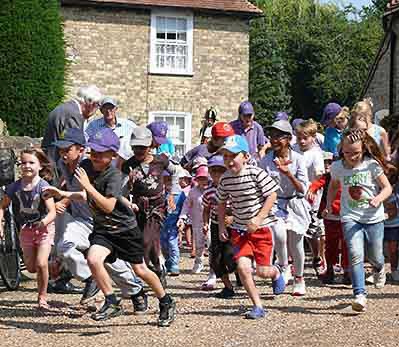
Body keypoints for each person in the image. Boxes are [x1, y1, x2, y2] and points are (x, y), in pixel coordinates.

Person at [43, 128, 176, 326]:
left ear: (113, 154)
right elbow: (86, 196)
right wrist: (62, 193)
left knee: (140, 270)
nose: (94, 156)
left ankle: (166, 301)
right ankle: (112, 301)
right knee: (93, 258)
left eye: (100, 152)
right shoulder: (87, 166)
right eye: (93, 151)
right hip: (104, 229)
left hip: (124, 230)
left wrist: (86, 186)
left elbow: (108, 205)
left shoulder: (114, 175)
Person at [52, 128, 148, 311]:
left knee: (114, 265)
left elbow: (98, 193)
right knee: (65, 247)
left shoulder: (93, 164)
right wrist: (61, 195)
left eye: (67, 149)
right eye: (61, 149)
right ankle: (90, 278)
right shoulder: (64, 165)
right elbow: (76, 188)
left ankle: (136, 292)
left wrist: (65, 198)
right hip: (81, 220)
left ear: (81, 150)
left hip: (105, 223)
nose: (63, 153)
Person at [217, 135, 285, 319]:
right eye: (225, 156)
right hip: (240, 230)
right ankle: (258, 306)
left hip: (262, 228)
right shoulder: (225, 179)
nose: (229, 161)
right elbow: (221, 203)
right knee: (243, 267)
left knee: (263, 272)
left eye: (233, 156)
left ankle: (276, 272)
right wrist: (222, 225)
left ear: (246, 156)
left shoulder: (256, 173)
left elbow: (272, 195)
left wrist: (258, 218)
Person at [325, 128, 392, 312]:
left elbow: (387, 188)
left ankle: (379, 270)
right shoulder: (338, 167)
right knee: (355, 254)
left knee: (376, 256)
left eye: (355, 153)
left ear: (363, 149)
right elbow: (333, 186)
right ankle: (359, 295)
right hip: (350, 216)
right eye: (347, 153)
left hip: (373, 217)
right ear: (341, 151)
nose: (351, 157)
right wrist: (329, 204)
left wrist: (378, 199)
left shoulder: (371, 165)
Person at [0, 149, 56, 310]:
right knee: (31, 268)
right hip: (26, 230)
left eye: (31, 162)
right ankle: (53, 264)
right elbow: (2, 206)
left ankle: (42, 297)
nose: (27, 166)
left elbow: (52, 212)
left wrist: (44, 222)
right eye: (23, 163)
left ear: (39, 166)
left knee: (40, 263)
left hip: (44, 229)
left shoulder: (44, 187)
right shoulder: (14, 187)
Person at [121, 126, 177, 286]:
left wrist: (171, 193)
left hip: (157, 207)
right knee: (146, 242)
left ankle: (145, 273)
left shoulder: (161, 160)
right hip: (139, 208)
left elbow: (175, 172)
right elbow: (122, 189)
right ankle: (158, 269)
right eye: (135, 147)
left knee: (147, 240)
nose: (139, 151)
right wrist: (129, 185)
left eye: (142, 147)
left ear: (150, 146)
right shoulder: (129, 165)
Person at [260, 120, 310, 295]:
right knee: (279, 235)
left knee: (296, 243)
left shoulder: (298, 159)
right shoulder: (266, 160)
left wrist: (288, 174)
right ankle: (283, 267)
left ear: (288, 139)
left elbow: (303, 188)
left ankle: (300, 278)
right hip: (276, 203)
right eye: (271, 136)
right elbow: (263, 187)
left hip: (296, 202)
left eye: (278, 136)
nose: (274, 140)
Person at [307, 152, 350, 284]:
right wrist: (311, 190)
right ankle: (330, 270)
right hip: (329, 215)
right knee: (330, 245)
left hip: (347, 215)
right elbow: (316, 184)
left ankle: (347, 271)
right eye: (325, 162)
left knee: (346, 245)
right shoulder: (326, 177)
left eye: (330, 162)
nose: (328, 165)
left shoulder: (348, 174)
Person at [294, 119, 325, 276]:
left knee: (312, 233)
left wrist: (313, 188)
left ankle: (317, 257)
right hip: (295, 199)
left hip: (312, 201)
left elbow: (321, 177)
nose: (302, 141)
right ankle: (293, 261)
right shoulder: (294, 150)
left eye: (305, 138)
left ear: (313, 137)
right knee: (294, 231)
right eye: (299, 138)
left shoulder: (315, 154)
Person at [202, 155, 236, 297]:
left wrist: (233, 217)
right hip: (216, 224)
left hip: (232, 225)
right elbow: (206, 209)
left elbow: (239, 206)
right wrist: (205, 223)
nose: (216, 174)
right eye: (213, 170)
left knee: (231, 256)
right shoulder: (208, 191)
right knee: (215, 258)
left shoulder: (233, 187)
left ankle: (242, 277)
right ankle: (228, 287)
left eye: (220, 170)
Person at [42, 85, 102, 164]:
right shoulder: (73, 115)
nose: (96, 110)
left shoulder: (66, 108)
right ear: (91, 103)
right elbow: (73, 147)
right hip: (57, 163)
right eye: (97, 105)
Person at [85, 97, 137, 167]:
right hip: (101, 165)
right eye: (105, 108)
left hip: (124, 165)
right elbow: (86, 144)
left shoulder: (129, 125)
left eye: (111, 108)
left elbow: (138, 140)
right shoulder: (93, 126)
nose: (108, 111)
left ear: (116, 109)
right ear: (101, 110)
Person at [178, 166, 209, 274]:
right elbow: (186, 205)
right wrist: (182, 217)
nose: (202, 181)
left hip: (211, 222)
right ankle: (198, 263)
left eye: (204, 178)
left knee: (211, 245)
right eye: (200, 178)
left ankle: (214, 267)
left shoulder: (213, 190)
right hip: (197, 222)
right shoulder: (193, 192)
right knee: (199, 245)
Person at [383, 163, 399, 282]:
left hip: (392, 225)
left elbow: (393, 211)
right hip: (382, 225)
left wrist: (384, 215)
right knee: (381, 250)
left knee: (392, 249)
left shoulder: (391, 194)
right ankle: (379, 271)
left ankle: (394, 270)